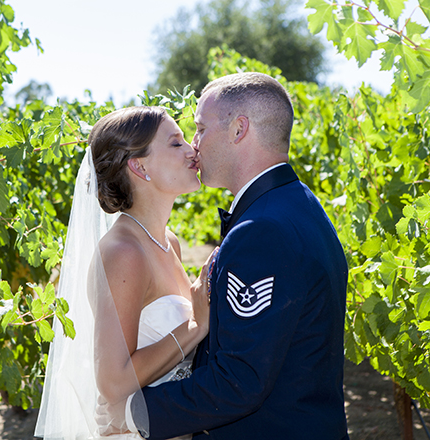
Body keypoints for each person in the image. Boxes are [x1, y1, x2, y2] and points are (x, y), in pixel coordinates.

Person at [101, 72, 349, 439]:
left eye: (199, 129)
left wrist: (135, 414)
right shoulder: (300, 205)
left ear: (238, 129)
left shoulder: (263, 230)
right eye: (182, 139)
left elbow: (240, 380)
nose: (194, 147)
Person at [34, 106, 215, 439]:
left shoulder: (168, 242)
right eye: (175, 143)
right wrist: (196, 326)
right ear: (139, 166)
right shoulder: (123, 253)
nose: (193, 149)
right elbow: (114, 380)